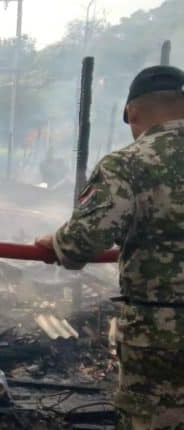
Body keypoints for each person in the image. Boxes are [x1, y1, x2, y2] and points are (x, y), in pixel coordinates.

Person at [35, 65, 184, 429]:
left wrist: (55, 243)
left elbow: (83, 241)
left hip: (162, 331)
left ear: (132, 113)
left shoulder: (129, 163)